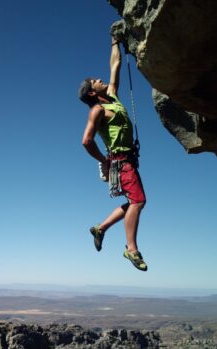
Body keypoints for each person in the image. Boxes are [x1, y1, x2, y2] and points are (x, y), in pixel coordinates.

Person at [77, 35, 148, 271]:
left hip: (127, 161)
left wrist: (114, 41)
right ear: (91, 93)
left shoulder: (113, 98)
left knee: (134, 201)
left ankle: (100, 228)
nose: (101, 80)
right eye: (95, 81)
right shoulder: (97, 110)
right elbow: (87, 141)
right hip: (121, 162)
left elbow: (115, 65)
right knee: (138, 201)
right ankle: (131, 248)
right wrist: (104, 160)